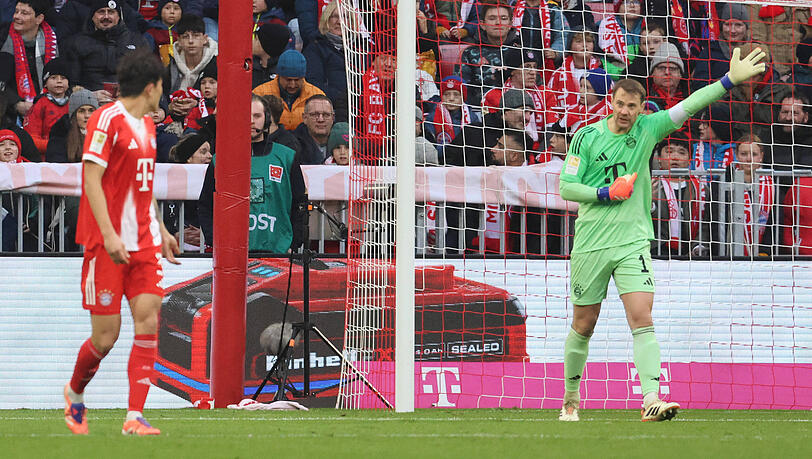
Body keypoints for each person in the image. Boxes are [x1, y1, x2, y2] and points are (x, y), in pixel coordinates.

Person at [556, 47, 767, 422]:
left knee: (642, 316)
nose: (625, 112)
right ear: (612, 101)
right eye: (620, 104)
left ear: (640, 109)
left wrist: (729, 80)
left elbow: (688, 105)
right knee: (583, 324)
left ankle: (651, 398)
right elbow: (567, 187)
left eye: (632, 107)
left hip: (633, 241)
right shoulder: (585, 138)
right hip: (590, 244)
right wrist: (607, 192)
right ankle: (570, 398)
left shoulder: (648, 128)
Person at [63, 49, 179, 436]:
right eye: (161, 86)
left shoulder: (147, 124)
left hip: (144, 242)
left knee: (148, 319)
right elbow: (91, 177)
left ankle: (135, 415)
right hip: (105, 243)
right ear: (150, 87)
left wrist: (160, 228)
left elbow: (143, 185)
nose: (162, 94)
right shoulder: (105, 119)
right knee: (105, 337)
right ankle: (75, 392)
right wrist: (110, 234)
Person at [198, 94, 305, 252]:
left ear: (267, 119)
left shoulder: (286, 156)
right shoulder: (220, 160)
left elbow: (300, 203)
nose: (251, 121)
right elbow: (206, 205)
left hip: (278, 251)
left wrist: (294, 243)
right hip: (232, 254)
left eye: (257, 115)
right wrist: (215, 241)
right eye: (244, 115)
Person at [63, 0, 149, 101]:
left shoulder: (137, 41)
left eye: (111, 12)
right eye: (101, 12)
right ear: (92, 16)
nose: (106, 17)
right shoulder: (77, 43)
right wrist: (89, 96)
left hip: (130, 103)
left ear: (119, 16)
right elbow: (70, 85)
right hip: (90, 105)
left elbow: (150, 79)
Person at [650, 131, 708, 256]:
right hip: (657, 251)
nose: (675, 157)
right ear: (659, 158)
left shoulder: (700, 189)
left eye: (682, 152)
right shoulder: (651, 185)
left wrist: (698, 247)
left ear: (689, 160)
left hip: (693, 253)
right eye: (669, 151)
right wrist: (647, 202)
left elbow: (706, 223)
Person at [1, 0, 59, 120]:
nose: (17, 16)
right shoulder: (3, 38)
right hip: (8, 109)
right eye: (16, 11)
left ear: (39, 18)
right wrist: (16, 103)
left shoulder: (50, 40)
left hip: (45, 106)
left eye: (24, 13)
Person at [252, 49, 325, 131]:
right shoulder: (259, 94)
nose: (292, 85)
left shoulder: (316, 96)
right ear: (279, 76)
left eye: (297, 80)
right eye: (288, 80)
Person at [302, 0, 348, 122]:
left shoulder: (358, 48)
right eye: (335, 17)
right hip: (330, 109)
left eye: (345, 17)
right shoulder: (315, 47)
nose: (339, 21)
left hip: (357, 108)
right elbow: (314, 84)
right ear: (326, 19)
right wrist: (342, 97)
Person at [164, 132, 210, 250]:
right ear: (189, 158)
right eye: (203, 152)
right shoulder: (169, 185)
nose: (210, 156)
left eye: (210, 151)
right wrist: (175, 234)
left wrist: (208, 233)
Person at [23, 57, 70, 156]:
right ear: (45, 84)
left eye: (63, 78)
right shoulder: (40, 104)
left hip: (71, 153)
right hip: (46, 156)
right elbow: (31, 138)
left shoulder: (73, 103)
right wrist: (55, 146)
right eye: (53, 78)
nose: (59, 81)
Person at [645, 43, 688, 110]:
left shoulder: (693, 97)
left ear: (680, 74)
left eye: (672, 69)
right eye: (662, 68)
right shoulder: (643, 99)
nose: (667, 72)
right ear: (652, 73)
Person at [294, 94, 334, 165]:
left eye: (326, 115)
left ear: (333, 118)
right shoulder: (292, 145)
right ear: (305, 118)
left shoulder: (346, 142)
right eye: (315, 114)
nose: (321, 119)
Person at [143, 0, 185, 65]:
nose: (172, 12)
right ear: (161, 11)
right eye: (167, 8)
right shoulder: (152, 32)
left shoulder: (185, 32)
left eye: (176, 8)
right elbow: (146, 56)